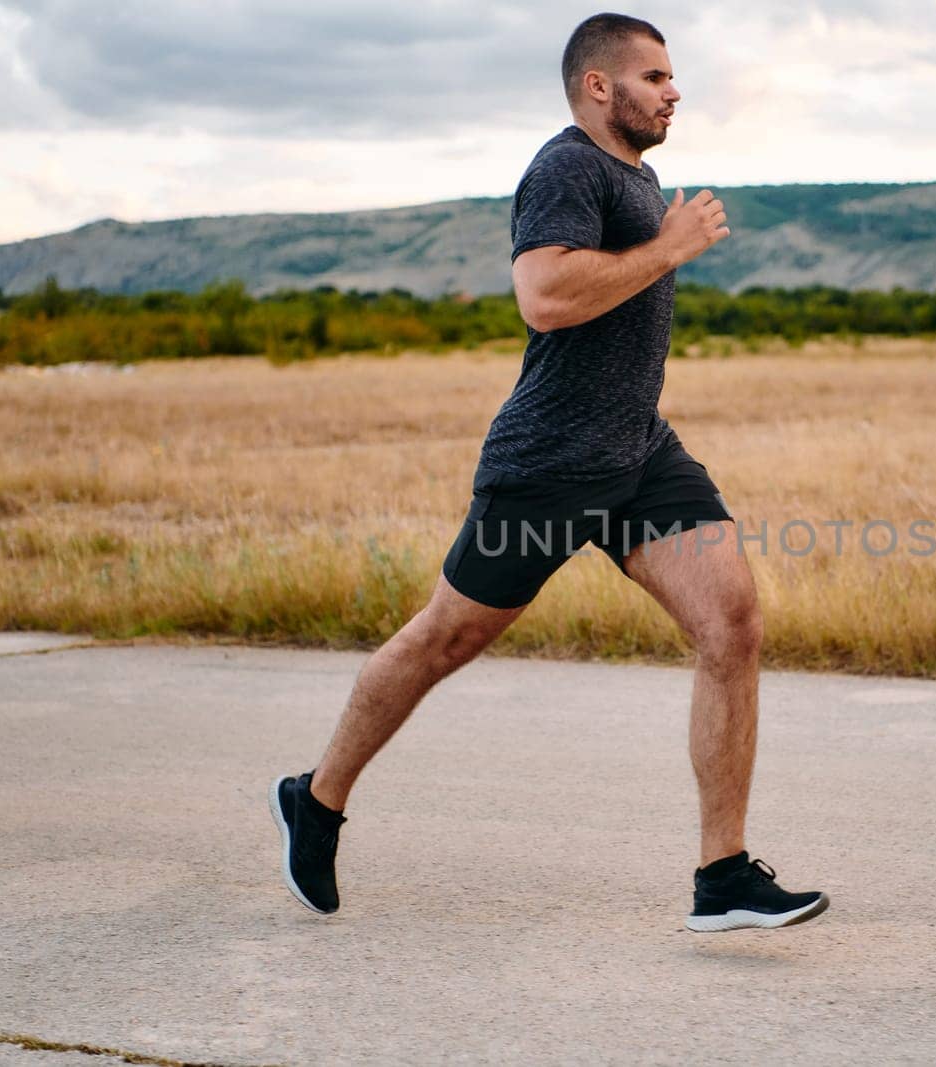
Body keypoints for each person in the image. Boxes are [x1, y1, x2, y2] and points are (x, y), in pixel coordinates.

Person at [269, 12, 828, 933]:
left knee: (732, 621)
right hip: (550, 464)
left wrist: (662, 237)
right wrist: (671, 247)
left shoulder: (637, 177)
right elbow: (545, 296)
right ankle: (316, 799)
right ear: (600, 87)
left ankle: (721, 876)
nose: (674, 90)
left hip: (638, 452)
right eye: (653, 76)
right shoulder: (566, 167)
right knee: (444, 639)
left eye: (672, 76)